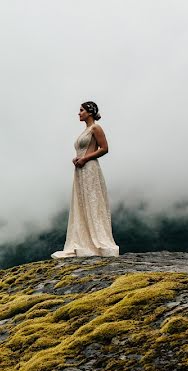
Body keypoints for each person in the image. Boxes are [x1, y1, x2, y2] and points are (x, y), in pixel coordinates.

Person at [51, 101, 120, 259]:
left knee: (92, 202)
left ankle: (97, 241)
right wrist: (77, 158)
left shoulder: (95, 128)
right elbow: (83, 149)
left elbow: (104, 148)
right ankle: (84, 240)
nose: (79, 113)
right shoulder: (85, 131)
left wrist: (85, 158)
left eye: (81, 110)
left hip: (90, 169)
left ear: (89, 112)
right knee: (82, 202)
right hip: (81, 169)